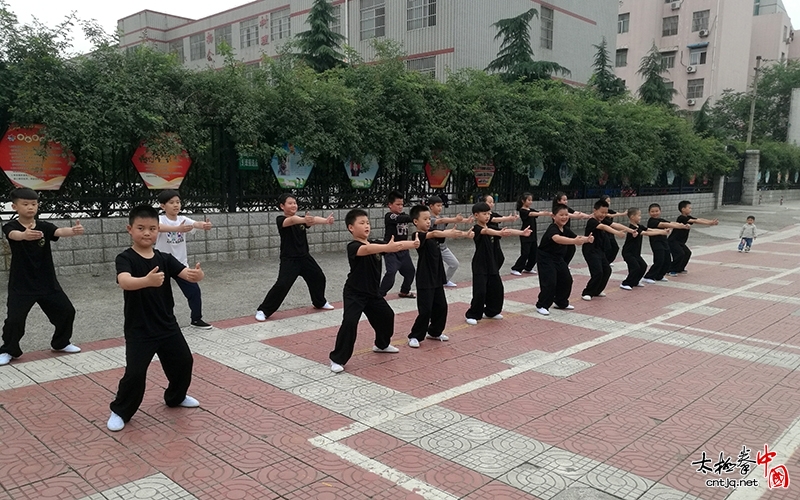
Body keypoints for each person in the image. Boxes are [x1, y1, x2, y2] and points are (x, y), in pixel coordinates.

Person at [107, 205, 205, 432]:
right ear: (130, 229)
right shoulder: (125, 258)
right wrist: (146, 281)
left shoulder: (165, 258)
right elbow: (124, 281)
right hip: (139, 328)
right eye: (141, 228)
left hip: (167, 325)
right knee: (135, 373)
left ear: (158, 231)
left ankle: (175, 397)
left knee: (183, 362)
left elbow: (187, 274)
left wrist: (197, 275)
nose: (147, 233)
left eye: (152, 228)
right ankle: (120, 410)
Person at [0, 188, 85, 366]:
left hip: (47, 282)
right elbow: (13, 235)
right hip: (21, 284)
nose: (30, 207)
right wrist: (24, 235)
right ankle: (8, 350)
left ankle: (61, 343)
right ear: (15, 206)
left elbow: (58, 231)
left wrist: (73, 230)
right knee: (14, 320)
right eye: (25, 204)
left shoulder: (44, 226)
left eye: (34, 204)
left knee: (67, 311)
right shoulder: (11, 226)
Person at [329, 209, 420, 373]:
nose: (366, 226)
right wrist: (387, 247)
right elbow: (368, 250)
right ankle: (337, 359)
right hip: (354, 293)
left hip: (372, 294)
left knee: (387, 316)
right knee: (350, 323)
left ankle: (381, 344)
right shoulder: (354, 246)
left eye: (368, 223)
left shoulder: (374, 244)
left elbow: (396, 246)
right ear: (351, 227)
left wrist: (413, 244)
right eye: (361, 223)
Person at [255, 194, 335, 321]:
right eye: (290, 203)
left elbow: (312, 219)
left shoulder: (301, 220)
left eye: (295, 203)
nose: (294, 205)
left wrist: (326, 221)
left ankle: (319, 302)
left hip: (305, 258)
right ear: (282, 206)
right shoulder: (281, 219)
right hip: (289, 260)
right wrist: (305, 220)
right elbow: (293, 220)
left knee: (318, 277)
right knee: (282, 285)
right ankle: (263, 310)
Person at [407, 205, 470, 347]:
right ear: (416, 222)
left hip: (437, 275)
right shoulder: (418, 235)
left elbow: (439, 234)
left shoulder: (433, 232)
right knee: (425, 310)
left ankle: (435, 332)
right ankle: (415, 336)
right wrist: (449, 233)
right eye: (425, 219)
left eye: (429, 219)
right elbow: (435, 234)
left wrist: (464, 234)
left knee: (441, 307)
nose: (428, 221)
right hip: (425, 277)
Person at [465, 202, 531, 325]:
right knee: (480, 291)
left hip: (492, 263)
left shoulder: (491, 227)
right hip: (480, 264)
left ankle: (491, 311)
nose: (487, 216)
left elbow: (505, 230)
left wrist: (522, 233)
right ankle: (472, 314)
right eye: (484, 214)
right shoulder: (476, 229)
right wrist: (499, 233)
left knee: (497, 289)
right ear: (476, 215)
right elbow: (487, 232)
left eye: (489, 213)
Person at [155, 190, 213, 329]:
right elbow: (158, 228)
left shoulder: (183, 219)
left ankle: (196, 319)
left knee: (194, 291)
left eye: (178, 202)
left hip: (180, 264)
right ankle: (164, 323)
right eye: (171, 203)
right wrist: (177, 228)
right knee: (163, 296)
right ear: (163, 206)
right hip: (162, 262)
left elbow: (195, 224)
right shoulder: (159, 219)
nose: (176, 205)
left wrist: (204, 225)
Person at [535, 204, 593, 316]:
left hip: (558, 258)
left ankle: (561, 302)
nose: (564, 217)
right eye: (561, 215)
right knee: (550, 282)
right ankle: (542, 305)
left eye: (566, 215)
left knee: (566, 279)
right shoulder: (552, 228)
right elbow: (557, 238)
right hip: (545, 258)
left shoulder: (565, 229)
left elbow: (575, 237)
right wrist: (574, 242)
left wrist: (587, 239)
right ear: (553, 216)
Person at [580, 199, 635, 301]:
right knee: (598, 272)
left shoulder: (603, 219)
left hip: (600, 250)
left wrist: (631, 230)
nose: (604, 215)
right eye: (602, 212)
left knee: (607, 270)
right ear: (595, 210)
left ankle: (597, 290)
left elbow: (615, 225)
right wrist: (617, 233)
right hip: (590, 250)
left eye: (606, 213)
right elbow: (604, 227)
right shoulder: (592, 221)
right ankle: (587, 292)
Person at [619, 207, 670, 290]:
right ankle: (626, 283)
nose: (640, 217)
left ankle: (635, 281)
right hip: (628, 253)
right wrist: (662, 232)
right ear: (632, 217)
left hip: (636, 253)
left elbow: (649, 229)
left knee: (643, 266)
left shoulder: (638, 226)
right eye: (638, 215)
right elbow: (646, 233)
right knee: (635, 267)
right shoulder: (632, 227)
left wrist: (662, 231)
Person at [379, 191, 416, 298]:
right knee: (391, 272)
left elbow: (408, 219)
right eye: (398, 204)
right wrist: (415, 217)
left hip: (403, 250)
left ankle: (404, 291)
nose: (401, 207)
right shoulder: (389, 216)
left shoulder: (405, 216)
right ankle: (379, 294)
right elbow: (400, 219)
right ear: (390, 205)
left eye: (402, 204)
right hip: (391, 250)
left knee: (410, 272)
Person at [427, 195, 470, 287]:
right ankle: (432, 284)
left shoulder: (442, 217)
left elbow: (446, 220)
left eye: (441, 206)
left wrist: (466, 221)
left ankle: (445, 281)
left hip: (443, 247)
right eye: (438, 205)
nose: (440, 208)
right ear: (431, 206)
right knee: (432, 269)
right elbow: (441, 221)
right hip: (432, 248)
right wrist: (455, 219)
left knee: (454, 264)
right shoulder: (428, 219)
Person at [667, 200, 719, 276]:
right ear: (683, 209)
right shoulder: (681, 218)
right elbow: (695, 221)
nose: (691, 209)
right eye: (689, 208)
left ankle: (680, 268)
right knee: (679, 254)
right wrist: (709, 223)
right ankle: (671, 270)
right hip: (673, 241)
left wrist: (710, 222)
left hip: (680, 242)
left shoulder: (687, 217)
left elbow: (698, 219)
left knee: (687, 253)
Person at [642, 204, 690, 284]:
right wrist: (680, 227)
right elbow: (665, 225)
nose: (655, 213)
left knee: (667, 260)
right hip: (656, 243)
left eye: (656, 211)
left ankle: (659, 276)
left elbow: (671, 222)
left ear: (660, 211)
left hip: (664, 242)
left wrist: (683, 225)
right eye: (652, 211)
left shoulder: (660, 219)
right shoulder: (651, 221)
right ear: (649, 213)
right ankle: (648, 276)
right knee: (659, 260)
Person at [511, 192, 550, 276]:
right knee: (525, 253)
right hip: (525, 234)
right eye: (528, 200)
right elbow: (532, 214)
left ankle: (528, 267)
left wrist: (546, 213)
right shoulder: (522, 210)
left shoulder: (530, 209)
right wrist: (542, 213)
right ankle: (516, 268)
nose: (530, 202)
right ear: (523, 201)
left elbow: (535, 213)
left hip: (533, 235)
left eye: (531, 200)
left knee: (534, 253)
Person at [480, 194, 518, 271]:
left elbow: (500, 218)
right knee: (490, 257)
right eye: (489, 202)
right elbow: (494, 219)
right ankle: (491, 273)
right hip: (488, 237)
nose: (492, 204)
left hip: (496, 238)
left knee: (499, 258)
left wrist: (511, 218)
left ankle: (493, 273)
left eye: (493, 202)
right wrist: (508, 218)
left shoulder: (493, 213)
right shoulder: (484, 215)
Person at [552, 192, 591, 266]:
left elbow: (576, 213)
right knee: (565, 248)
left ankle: (564, 264)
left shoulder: (566, 208)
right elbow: (572, 215)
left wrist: (589, 216)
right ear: (558, 201)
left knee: (570, 248)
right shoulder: (556, 209)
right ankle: (561, 263)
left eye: (566, 200)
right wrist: (579, 216)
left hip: (566, 230)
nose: (566, 202)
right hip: (559, 231)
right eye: (564, 200)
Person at [599, 195, 626, 265]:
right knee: (607, 248)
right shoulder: (600, 211)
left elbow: (615, 213)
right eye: (607, 201)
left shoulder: (609, 210)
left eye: (609, 201)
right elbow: (610, 215)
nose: (608, 202)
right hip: (604, 232)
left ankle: (608, 261)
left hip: (611, 232)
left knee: (615, 247)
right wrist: (623, 214)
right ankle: (604, 261)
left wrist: (624, 214)